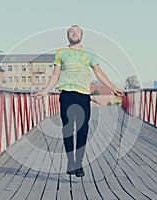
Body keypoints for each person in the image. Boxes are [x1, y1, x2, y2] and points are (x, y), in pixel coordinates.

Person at [34, 25, 124, 177]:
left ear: (81, 35)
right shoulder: (61, 53)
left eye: (77, 31)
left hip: (83, 94)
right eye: (71, 31)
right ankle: (70, 161)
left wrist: (113, 88)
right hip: (66, 93)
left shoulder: (89, 53)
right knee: (68, 128)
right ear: (67, 35)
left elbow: (99, 72)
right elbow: (55, 75)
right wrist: (45, 91)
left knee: (82, 129)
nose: (74, 33)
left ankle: (79, 163)